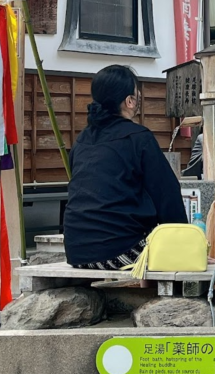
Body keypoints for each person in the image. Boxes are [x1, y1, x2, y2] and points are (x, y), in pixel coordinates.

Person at [63, 65, 187, 270]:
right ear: (130, 101)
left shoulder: (82, 140)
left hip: (77, 252)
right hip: (119, 250)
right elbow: (167, 195)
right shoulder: (139, 138)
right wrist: (184, 243)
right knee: (169, 253)